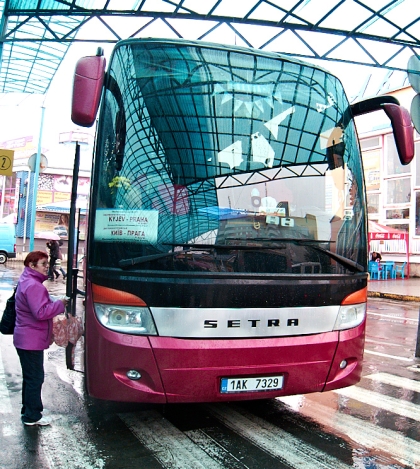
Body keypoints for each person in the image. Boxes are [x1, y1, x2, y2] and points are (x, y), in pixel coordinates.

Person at [14, 251, 68, 426]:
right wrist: (60, 305)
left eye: (47, 264)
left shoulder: (26, 281)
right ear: (32, 265)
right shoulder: (34, 286)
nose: (47, 267)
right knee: (35, 378)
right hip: (31, 340)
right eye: (43, 264)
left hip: (26, 338)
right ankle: (32, 416)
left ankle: (28, 411)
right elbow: (41, 312)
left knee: (30, 377)